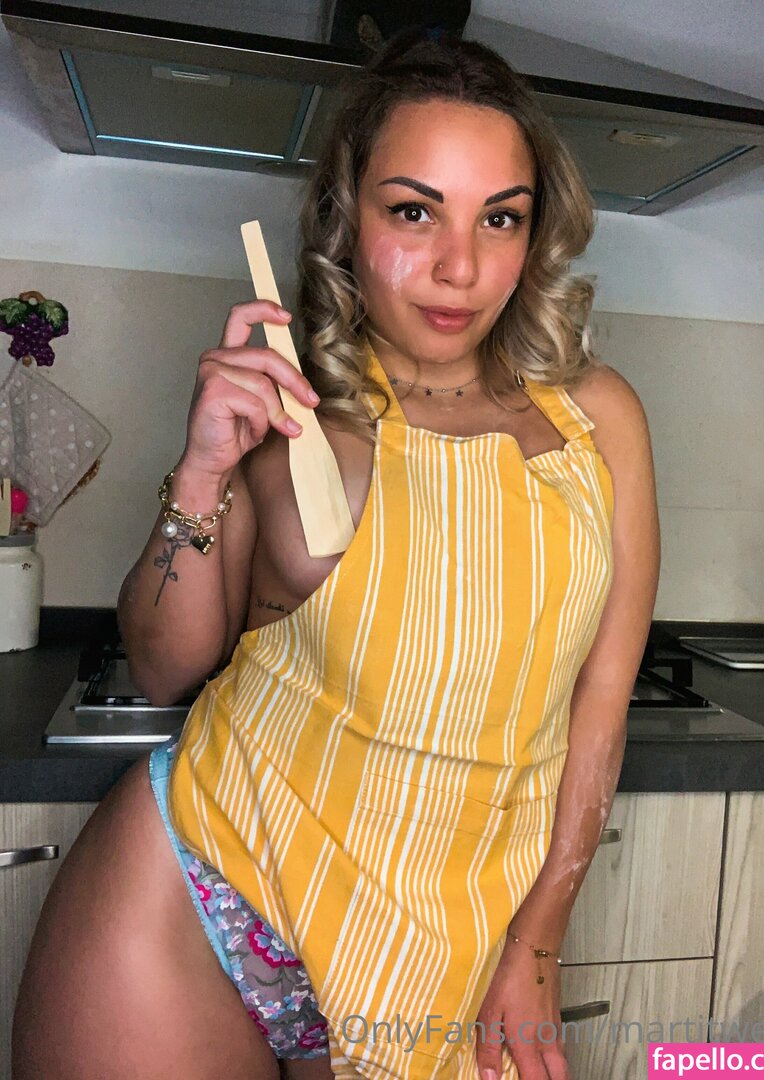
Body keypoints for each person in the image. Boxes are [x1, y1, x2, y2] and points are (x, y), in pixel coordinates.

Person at [12, 26, 659, 1080]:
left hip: (441, 959)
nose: (460, 266)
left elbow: (602, 700)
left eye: (500, 217)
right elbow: (168, 668)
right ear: (347, 216)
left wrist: (537, 943)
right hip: (201, 898)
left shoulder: (598, 419)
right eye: (414, 211)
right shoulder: (292, 404)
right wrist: (201, 470)